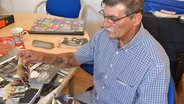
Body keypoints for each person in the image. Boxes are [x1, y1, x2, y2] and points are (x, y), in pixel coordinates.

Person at [16, 0, 170, 103]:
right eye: (104, 16)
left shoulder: (155, 63)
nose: (104, 24)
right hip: (92, 98)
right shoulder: (103, 36)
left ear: (136, 19)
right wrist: (39, 56)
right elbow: (74, 59)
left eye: (113, 19)